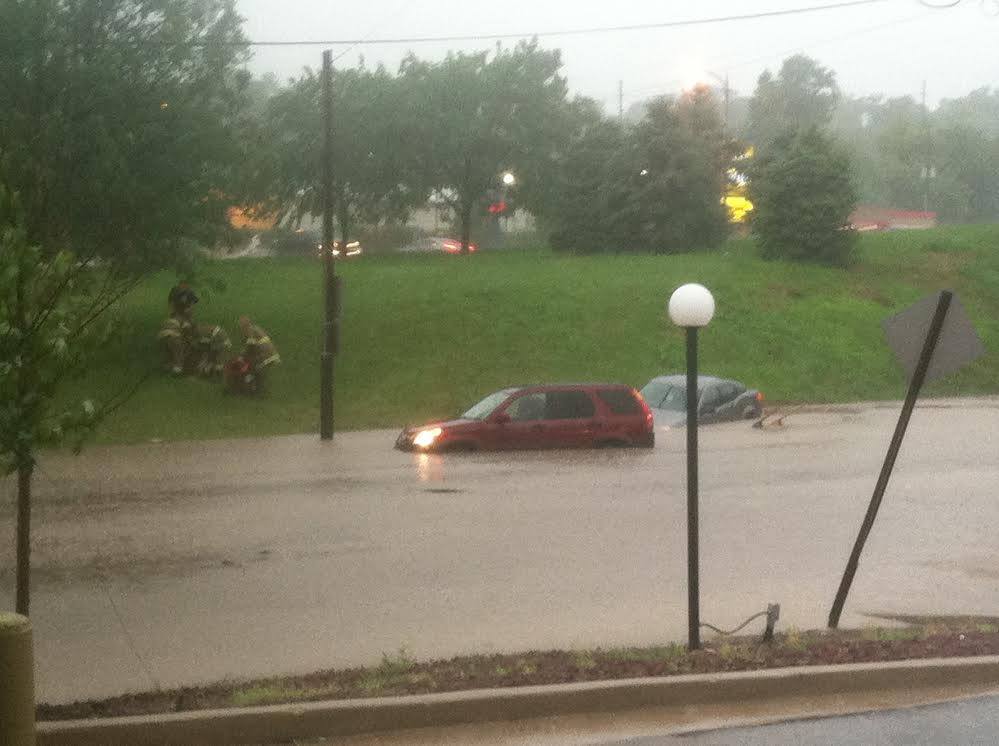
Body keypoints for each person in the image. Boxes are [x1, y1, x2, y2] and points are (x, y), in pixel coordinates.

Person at [225, 316, 280, 394]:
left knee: (254, 370)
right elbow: (251, 347)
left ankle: (252, 390)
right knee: (256, 371)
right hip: (270, 355)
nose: (241, 329)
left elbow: (251, 347)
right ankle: (257, 391)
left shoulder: (250, 330)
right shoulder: (255, 329)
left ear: (245, 325)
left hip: (265, 355)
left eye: (241, 326)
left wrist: (241, 356)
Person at [158, 283, 198, 375]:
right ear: (186, 308)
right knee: (177, 344)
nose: (193, 309)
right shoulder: (180, 321)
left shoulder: (175, 320)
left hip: (171, 339)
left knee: (174, 345)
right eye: (192, 306)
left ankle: (171, 363)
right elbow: (187, 334)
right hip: (175, 341)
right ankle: (178, 366)